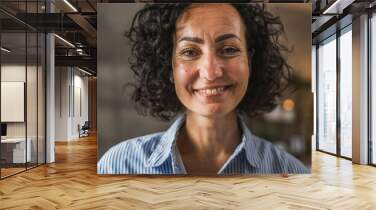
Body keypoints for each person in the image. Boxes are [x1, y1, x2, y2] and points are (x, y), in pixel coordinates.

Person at [98, 3, 310, 175]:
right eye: (190, 52)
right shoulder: (119, 164)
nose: (210, 72)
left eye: (228, 49)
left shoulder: (290, 172)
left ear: (250, 62)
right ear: (169, 66)